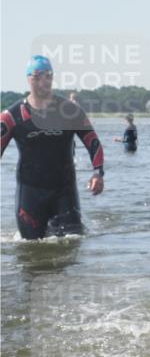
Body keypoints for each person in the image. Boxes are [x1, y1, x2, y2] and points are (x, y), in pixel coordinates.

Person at [0, 55, 105, 239]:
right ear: (28, 78)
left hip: (64, 191)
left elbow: (93, 141)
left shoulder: (70, 111)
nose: (43, 81)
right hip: (30, 193)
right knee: (31, 249)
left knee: (72, 244)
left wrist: (98, 173)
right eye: (38, 75)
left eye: (48, 75)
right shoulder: (11, 116)